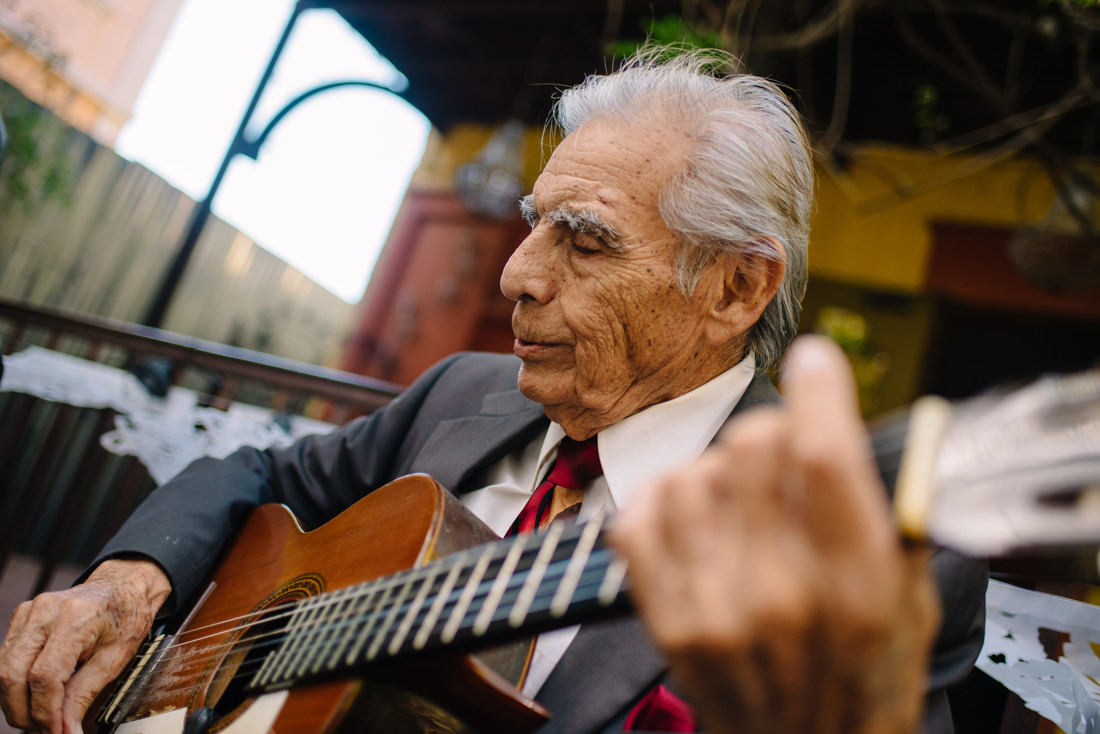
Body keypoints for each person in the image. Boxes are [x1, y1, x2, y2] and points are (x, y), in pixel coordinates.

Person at [0, 49, 985, 734]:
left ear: (734, 287)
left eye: (584, 239)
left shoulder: (865, 556)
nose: (515, 273)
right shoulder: (462, 393)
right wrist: (132, 575)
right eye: (534, 222)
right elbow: (260, 473)